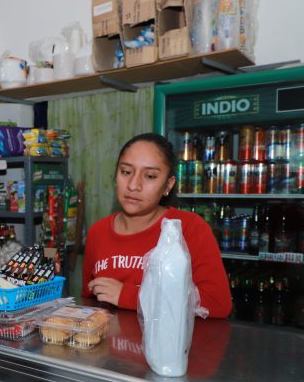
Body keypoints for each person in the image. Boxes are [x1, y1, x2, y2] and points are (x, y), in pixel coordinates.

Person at [82, 133, 232, 319]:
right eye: (126, 172)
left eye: (150, 176)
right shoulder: (98, 231)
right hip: (108, 346)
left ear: (168, 185)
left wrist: (129, 296)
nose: (133, 185)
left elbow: (217, 303)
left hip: (166, 347)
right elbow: (88, 303)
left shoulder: (189, 228)